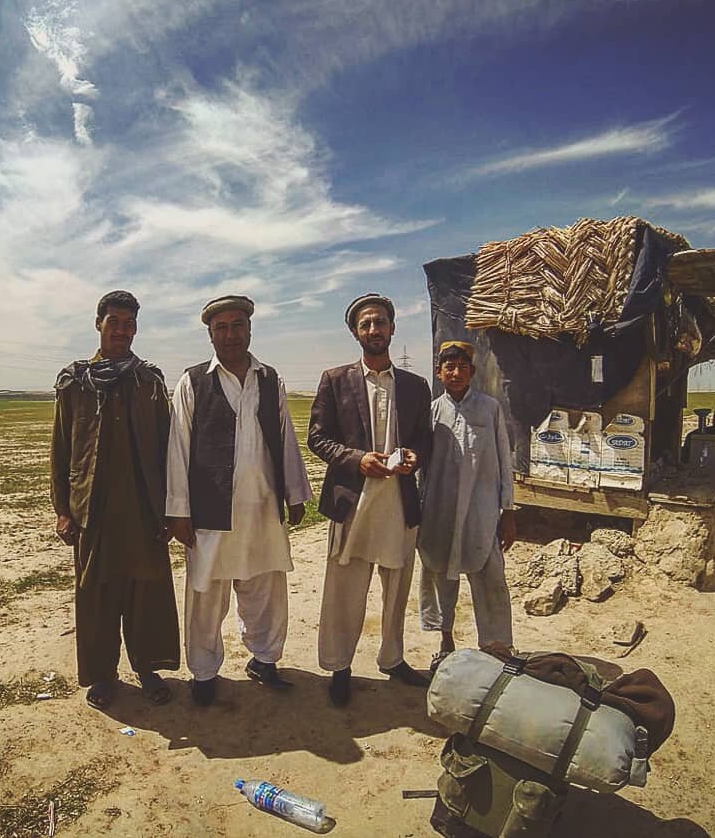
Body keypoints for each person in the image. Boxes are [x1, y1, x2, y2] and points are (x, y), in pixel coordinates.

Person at [166, 295, 312, 707]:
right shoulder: (192, 382)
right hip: (211, 513)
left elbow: (285, 438)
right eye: (221, 328)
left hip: (263, 508)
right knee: (206, 594)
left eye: (237, 326)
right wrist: (179, 512)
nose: (230, 335)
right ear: (210, 334)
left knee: (265, 589)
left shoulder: (269, 378)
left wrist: (295, 493)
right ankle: (205, 672)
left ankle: (264, 661)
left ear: (250, 329)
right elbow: (177, 448)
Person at [50, 290, 179, 710]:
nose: (122, 330)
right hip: (93, 513)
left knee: (147, 594)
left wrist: (172, 509)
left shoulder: (149, 381)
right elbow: (61, 449)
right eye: (114, 321)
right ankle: (103, 676)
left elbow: (168, 448)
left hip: (144, 510)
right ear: (99, 324)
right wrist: (62, 511)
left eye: (129, 323)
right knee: (97, 596)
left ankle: (147, 669)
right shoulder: (75, 382)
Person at [309, 293, 434, 706]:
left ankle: (393, 658)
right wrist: (358, 459)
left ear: (393, 328)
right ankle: (339, 667)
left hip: (399, 502)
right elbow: (318, 438)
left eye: (380, 322)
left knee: (396, 589)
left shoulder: (416, 386)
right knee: (344, 590)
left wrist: (414, 456)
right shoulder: (335, 379)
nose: (374, 330)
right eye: (366, 325)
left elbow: (424, 439)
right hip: (352, 502)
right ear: (355, 333)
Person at [417, 341, 516, 669]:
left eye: (462, 367)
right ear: (439, 372)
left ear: (472, 372)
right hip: (439, 510)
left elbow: (504, 458)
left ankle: (496, 646)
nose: (456, 372)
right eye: (449, 366)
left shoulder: (490, 409)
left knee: (491, 578)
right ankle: (445, 640)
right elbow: (421, 465)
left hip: (482, 510)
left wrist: (509, 511)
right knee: (442, 575)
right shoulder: (432, 412)